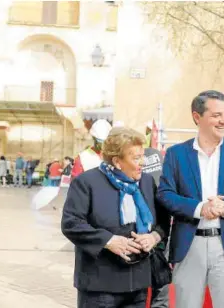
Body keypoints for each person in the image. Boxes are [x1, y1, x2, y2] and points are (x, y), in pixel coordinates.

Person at [157, 90, 224, 308]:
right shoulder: (176, 154)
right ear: (197, 117)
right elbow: (165, 195)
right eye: (217, 115)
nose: (223, 121)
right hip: (189, 245)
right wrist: (200, 208)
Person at [61, 127, 171, 308]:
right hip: (100, 285)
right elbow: (71, 223)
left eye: (142, 156)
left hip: (138, 284)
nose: (142, 162)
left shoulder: (146, 182)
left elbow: (163, 220)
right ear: (117, 161)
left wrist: (153, 237)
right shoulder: (87, 182)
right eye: (136, 158)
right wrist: (109, 240)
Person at [142, 139, 168, 308]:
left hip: (160, 244)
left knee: (161, 296)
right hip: (137, 245)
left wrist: (156, 236)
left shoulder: (164, 183)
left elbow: (167, 218)